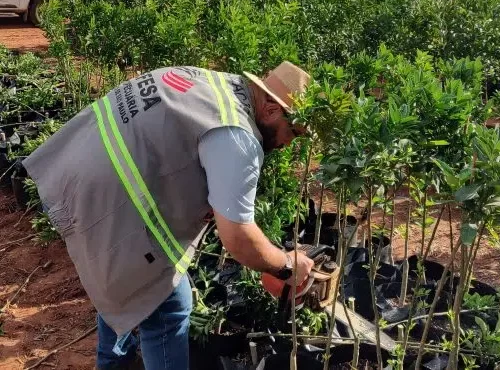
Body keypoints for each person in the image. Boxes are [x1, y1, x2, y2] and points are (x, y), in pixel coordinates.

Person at [22, 61, 315, 370]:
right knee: (168, 306)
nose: (288, 144)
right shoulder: (238, 137)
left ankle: (113, 363)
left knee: (123, 280)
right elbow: (238, 237)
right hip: (103, 201)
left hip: (71, 166)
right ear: (271, 110)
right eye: (293, 132)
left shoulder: (208, 82)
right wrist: (285, 266)